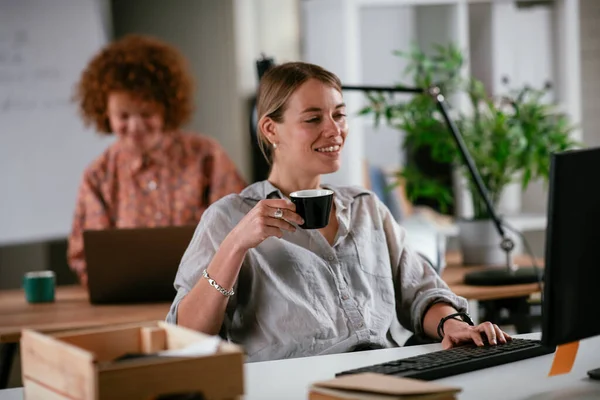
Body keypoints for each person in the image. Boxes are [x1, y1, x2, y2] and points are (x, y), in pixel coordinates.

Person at [166, 62, 511, 362]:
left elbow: (420, 291)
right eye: (313, 118)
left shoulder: (366, 208)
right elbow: (187, 336)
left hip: (388, 375)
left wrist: (452, 324)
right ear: (271, 129)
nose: (334, 130)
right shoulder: (229, 218)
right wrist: (236, 245)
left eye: (339, 114)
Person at [67, 35, 246, 287]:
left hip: (203, 296)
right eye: (124, 116)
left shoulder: (207, 156)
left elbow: (238, 230)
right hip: (126, 303)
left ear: (167, 107)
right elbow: (84, 257)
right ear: (105, 113)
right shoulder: (98, 176)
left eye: (147, 113)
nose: (135, 126)